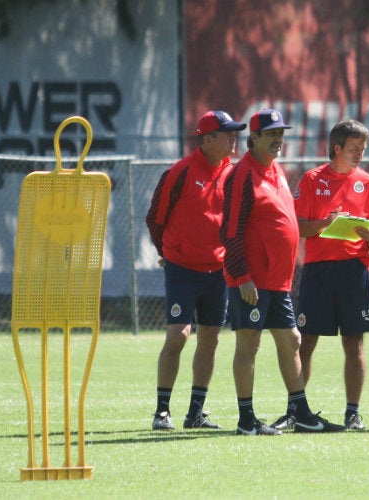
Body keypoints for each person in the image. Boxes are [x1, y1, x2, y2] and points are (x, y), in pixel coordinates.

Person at [220, 108, 346, 435]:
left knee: (291, 340)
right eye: (272, 133)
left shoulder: (276, 170)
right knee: (249, 346)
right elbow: (230, 232)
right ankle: (246, 419)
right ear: (255, 138)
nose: (278, 139)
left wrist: (323, 225)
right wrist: (243, 277)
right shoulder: (242, 174)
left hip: (277, 280)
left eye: (281, 133)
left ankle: (301, 413)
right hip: (252, 281)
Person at [271, 119, 369, 432]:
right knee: (306, 341)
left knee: (355, 343)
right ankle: (296, 410)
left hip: (354, 272)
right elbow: (298, 226)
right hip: (319, 271)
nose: (360, 154)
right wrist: (326, 223)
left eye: (362, 149)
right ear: (337, 148)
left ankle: (353, 413)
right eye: (354, 149)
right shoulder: (311, 180)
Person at [145, 110, 246, 431]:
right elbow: (155, 218)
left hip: (218, 270)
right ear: (207, 139)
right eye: (226, 133)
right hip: (183, 269)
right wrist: (167, 253)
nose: (234, 138)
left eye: (235, 133)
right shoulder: (181, 171)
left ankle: (195, 412)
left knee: (211, 338)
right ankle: (162, 411)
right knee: (178, 335)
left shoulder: (235, 172)